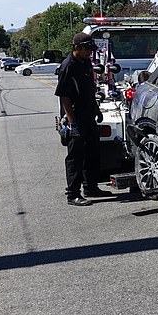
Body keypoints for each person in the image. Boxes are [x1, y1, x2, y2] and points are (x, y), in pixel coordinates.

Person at [55, 32, 111, 206]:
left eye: (90, 49)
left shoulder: (86, 62)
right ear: (76, 48)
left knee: (93, 152)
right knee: (75, 156)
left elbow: (89, 90)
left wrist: (96, 109)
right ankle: (73, 194)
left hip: (88, 114)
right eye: (87, 49)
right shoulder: (67, 66)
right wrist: (72, 123)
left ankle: (91, 187)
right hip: (75, 117)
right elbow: (64, 97)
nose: (89, 53)